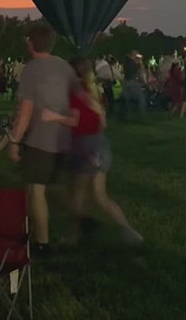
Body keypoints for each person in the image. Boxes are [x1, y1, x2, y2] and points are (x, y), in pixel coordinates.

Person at [44, 58, 143, 244]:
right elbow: (103, 122)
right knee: (99, 196)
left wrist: (53, 117)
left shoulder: (74, 94)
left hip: (84, 147)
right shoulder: (93, 91)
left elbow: (74, 121)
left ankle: (72, 236)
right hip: (100, 146)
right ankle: (128, 231)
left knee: (77, 195)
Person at [8, 21, 78, 255]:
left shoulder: (32, 69)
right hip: (65, 138)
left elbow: (25, 111)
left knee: (36, 189)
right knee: (58, 188)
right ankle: (78, 226)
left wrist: (15, 141)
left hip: (41, 140)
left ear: (31, 43)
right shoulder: (65, 67)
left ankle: (42, 242)